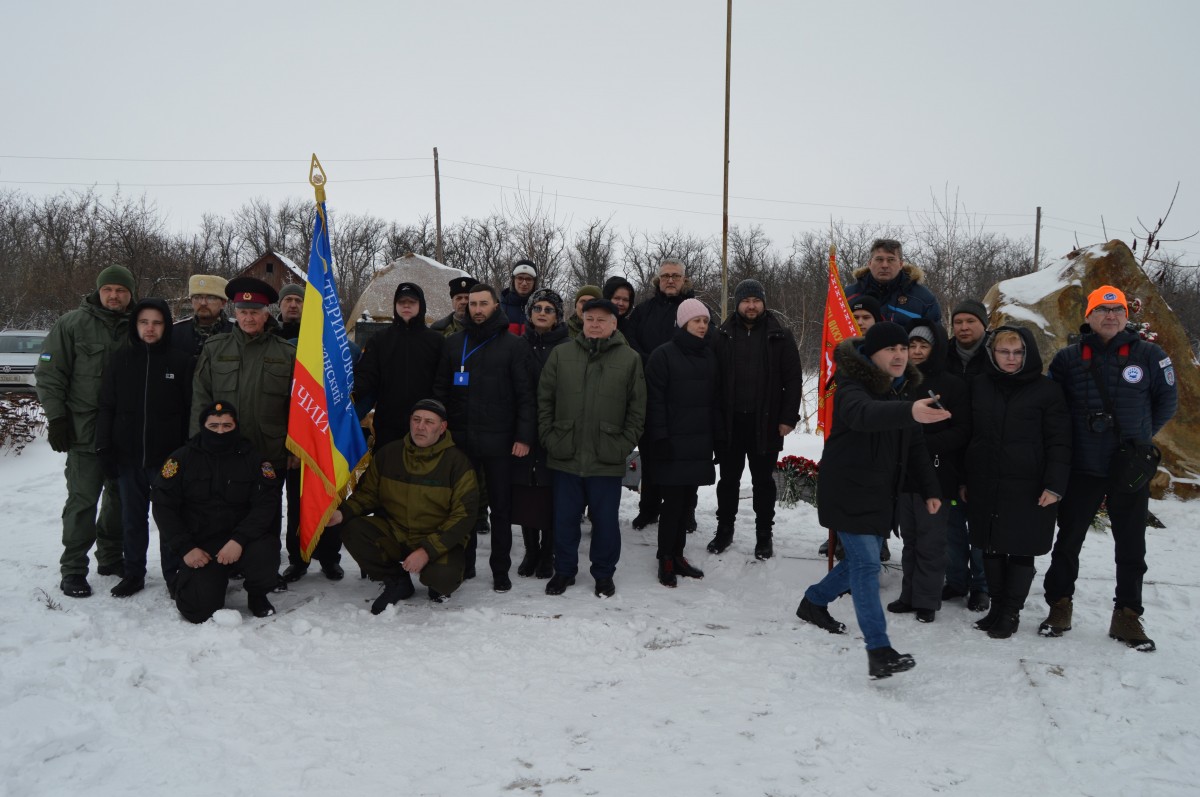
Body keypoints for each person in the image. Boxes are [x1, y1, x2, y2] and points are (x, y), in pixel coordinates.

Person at [795, 322, 948, 679]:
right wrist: (908, 412)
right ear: (872, 354)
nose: (899, 355)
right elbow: (863, 414)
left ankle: (813, 601)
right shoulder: (851, 385)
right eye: (890, 349)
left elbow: (916, 447)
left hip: (881, 494)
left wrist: (931, 490)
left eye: (903, 348)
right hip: (848, 491)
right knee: (865, 565)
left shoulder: (903, 390)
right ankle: (879, 650)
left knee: (857, 562)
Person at [1040, 286, 1177, 651]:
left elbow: (1167, 401)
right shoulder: (1068, 358)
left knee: (1131, 545)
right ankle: (1059, 605)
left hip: (1129, 469)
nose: (1110, 316)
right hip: (1083, 466)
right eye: (1102, 310)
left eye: (1117, 310)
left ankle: (1127, 615)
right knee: (1068, 541)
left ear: (1126, 317)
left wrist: (1140, 438)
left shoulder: (1150, 355)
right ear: (1089, 316)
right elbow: (1054, 408)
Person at [965, 326, 1070, 638]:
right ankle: (996, 607)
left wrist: (1054, 485)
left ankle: (1010, 612)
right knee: (991, 545)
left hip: (1029, 485)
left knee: (1022, 547)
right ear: (992, 354)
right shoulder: (980, 385)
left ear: (1028, 354)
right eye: (1004, 351)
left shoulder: (1047, 391)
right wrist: (964, 479)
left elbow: (1060, 442)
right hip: (986, 480)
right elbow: (969, 434)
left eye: (1018, 352)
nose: (1011, 358)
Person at [37, 264, 135, 597]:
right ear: (98, 291)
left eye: (121, 290)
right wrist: (57, 419)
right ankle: (73, 568)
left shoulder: (139, 326)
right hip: (85, 431)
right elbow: (50, 374)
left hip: (125, 432)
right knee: (82, 501)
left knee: (119, 499)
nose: (114, 295)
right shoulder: (72, 324)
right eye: (108, 289)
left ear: (131, 294)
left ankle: (110, 556)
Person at [192, 277, 296, 587]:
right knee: (228, 509)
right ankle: (230, 564)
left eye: (255, 312)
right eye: (243, 311)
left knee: (268, 513)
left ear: (267, 314)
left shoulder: (285, 353)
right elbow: (201, 398)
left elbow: (296, 406)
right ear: (235, 312)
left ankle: (265, 571)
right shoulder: (216, 348)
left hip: (270, 449)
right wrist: (198, 444)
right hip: (225, 450)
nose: (248, 318)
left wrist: (296, 448)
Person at [539, 298, 646, 598]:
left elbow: (637, 410)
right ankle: (564, 571)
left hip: (606, 457)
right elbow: (544, 400)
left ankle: (603, 573)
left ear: (614, 324)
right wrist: (550, 437)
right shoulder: (561, 355)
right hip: (566, 454)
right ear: (582, 321)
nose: (595, 324)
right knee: (564, 520)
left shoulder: (629, 359)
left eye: (602, 320)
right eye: (590, 319)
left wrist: (622, 445)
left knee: (605, 523)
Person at [328, 399, 479, 612]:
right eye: (416, 420)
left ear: (442, 427)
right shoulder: (389, 454)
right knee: (352, 529)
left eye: (429, 422)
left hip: (435, 537)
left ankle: (436, 581)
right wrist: (342, 513)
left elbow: (463, 516)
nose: (421, 426)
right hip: (396, 532)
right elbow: (368, 494)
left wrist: (427, 551)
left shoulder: (457, 463)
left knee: (442, 579)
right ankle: (396, 580)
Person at [434, 284, 535, 592]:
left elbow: (526, 396)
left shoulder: (514, 346)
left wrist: (523, 436)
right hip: (461, 442)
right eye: (473, 304)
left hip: (500, 443)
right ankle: (464, 564)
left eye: (483, 304)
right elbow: (440, 391)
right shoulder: (453, 344)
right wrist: (440, 431)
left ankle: (500, 569)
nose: (477, 309)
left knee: (501, 509)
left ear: (495, 306)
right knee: (463, 507)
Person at [95, 299, 193, 598]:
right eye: (143, 322)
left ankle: (174, 574)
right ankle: (133, 573)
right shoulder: (120, 359)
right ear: (135, 325)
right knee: (132, 519)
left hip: (168, 460)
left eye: (157, 323)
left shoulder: (181, 362)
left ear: (166, 326)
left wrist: (188, 452)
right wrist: (104, 447)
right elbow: (107, 406)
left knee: (170, 519)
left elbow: (190, 410)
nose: (150, 328)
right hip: (128, 458)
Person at [152, 402, 283, 622]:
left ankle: (257, 594)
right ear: (203, 427)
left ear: (235, 427)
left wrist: (239, 539)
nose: (220, 431)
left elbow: (266, 504)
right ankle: (195, 581)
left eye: (226, 426)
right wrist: (186, 548)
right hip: (201, 546)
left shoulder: (252, 459)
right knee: (198, 611)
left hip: (241, 541)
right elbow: (163, 506)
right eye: (213, 426)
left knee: (266, 549)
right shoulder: (181, 459)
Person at [710, 279, 803, 560]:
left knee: (763, 481)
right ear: (737, 304)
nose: (751, 306)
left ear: (763, 303)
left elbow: (793, 380)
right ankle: (724, 529)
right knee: (728, 480)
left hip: (767, 423)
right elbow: (712, 379)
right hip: (731, 423)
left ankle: (764, 534)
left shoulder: (780, 335)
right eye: (746, 301)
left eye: (756, 301)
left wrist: (788, 418)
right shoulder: (721, 335)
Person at [887, 321, 970, 623]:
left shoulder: (952, 384)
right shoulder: (899, 382)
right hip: (904, 474)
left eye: (924, 345)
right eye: (912, 345)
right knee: (910, 538)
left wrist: (925, 445)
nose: (917, 351)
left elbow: (962, 430)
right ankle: (909, 595)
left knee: (931, 541)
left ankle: (926, 599)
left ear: (936, 349)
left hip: (937, 474)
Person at [625, 258, 707, 531]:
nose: (670, 280)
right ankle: (648, 508)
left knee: (686, 458)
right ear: (657, 280)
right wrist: (655, 363)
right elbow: (630, 342)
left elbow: (705, 344)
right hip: (650, 392)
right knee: (651, 454)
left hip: (688, 397)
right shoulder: (643, 311)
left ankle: (686, 511)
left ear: (684, 280)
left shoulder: (696, 311)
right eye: (665, 276)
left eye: (675, 276)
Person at [644, 298, 721, 587]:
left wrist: (717, 440)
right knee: (672, 504)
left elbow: (714, 402)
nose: (702, 326)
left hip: (698, 443)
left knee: (687, 503)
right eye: (696, 321)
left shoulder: (709, 356)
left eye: (705, 321)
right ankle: (665, 558)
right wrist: (660, 438)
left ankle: (678, 555)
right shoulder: (663, 355)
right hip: (672, 444)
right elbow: (654, 402)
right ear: (683, 323)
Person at [514, 288, 570, 578]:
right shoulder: (518, 345)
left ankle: (548, 552)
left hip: (555, 430)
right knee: (527, 492)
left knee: (550, 494)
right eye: (538, 308)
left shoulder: (568, 347)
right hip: (523, 430)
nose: (543, 313)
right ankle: (531, 550)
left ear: (558, 315)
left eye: (549, 309)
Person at [942, 298, 992, 609]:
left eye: (970, 321)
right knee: (951, 521)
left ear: (983, 324)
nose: (963, 327)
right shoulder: (943, 354)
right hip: (949, 447)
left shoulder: (996, 354)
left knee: (979, 524)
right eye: (958, 322)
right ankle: (956, 580)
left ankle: (981, 585)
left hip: (984, 448)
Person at [844, 239, 941, 330]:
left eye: (891, 260)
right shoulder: (847, 296)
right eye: (879, 259)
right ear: (869, 263)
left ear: (901, 264)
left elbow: (934, 335)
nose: (884, 265)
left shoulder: (923, 299)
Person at [171, 274, 233, 368]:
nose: (203, 303)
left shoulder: (236, 333)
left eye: (210, 298)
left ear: (223, 303)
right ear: (191, 301)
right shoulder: (175, 332)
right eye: (197, 297)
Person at [500, 259, 539, 334]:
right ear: (513, 280)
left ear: (534, 282)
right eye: (520, 278)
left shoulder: (542, 309)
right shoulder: (499, 309)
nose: (524, 283)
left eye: (528, 279)